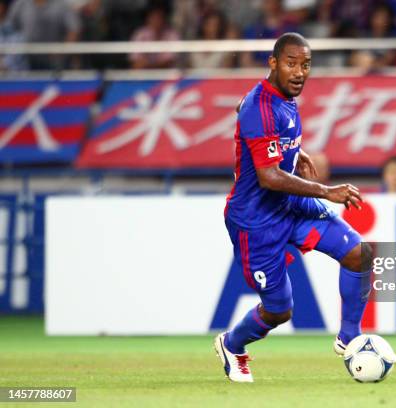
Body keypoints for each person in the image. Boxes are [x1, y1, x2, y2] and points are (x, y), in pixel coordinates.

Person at [215, 33, 372, 383]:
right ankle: (232, 344)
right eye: (291, 63)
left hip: (290, 206)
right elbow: (269, 176)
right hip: (255, 221)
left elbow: (244, 113)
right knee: (279, 310)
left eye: (305, 65)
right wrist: (326, 191)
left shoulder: (281, 97)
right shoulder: (261, 106)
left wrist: (291, 152)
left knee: (359, 254)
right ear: (272, 63)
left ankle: (350, 339)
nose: (299, 72)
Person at [129, 5, 180, 69]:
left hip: (166, 76)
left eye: (159, 17)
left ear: (164, 19)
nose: (157, 20)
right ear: (148, 18)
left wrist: (149, 65)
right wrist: (154, 65)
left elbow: (169, 62)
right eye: (154, 17)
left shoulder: (172, 34)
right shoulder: (140, 34)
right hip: (143, 75)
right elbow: (136, 63)